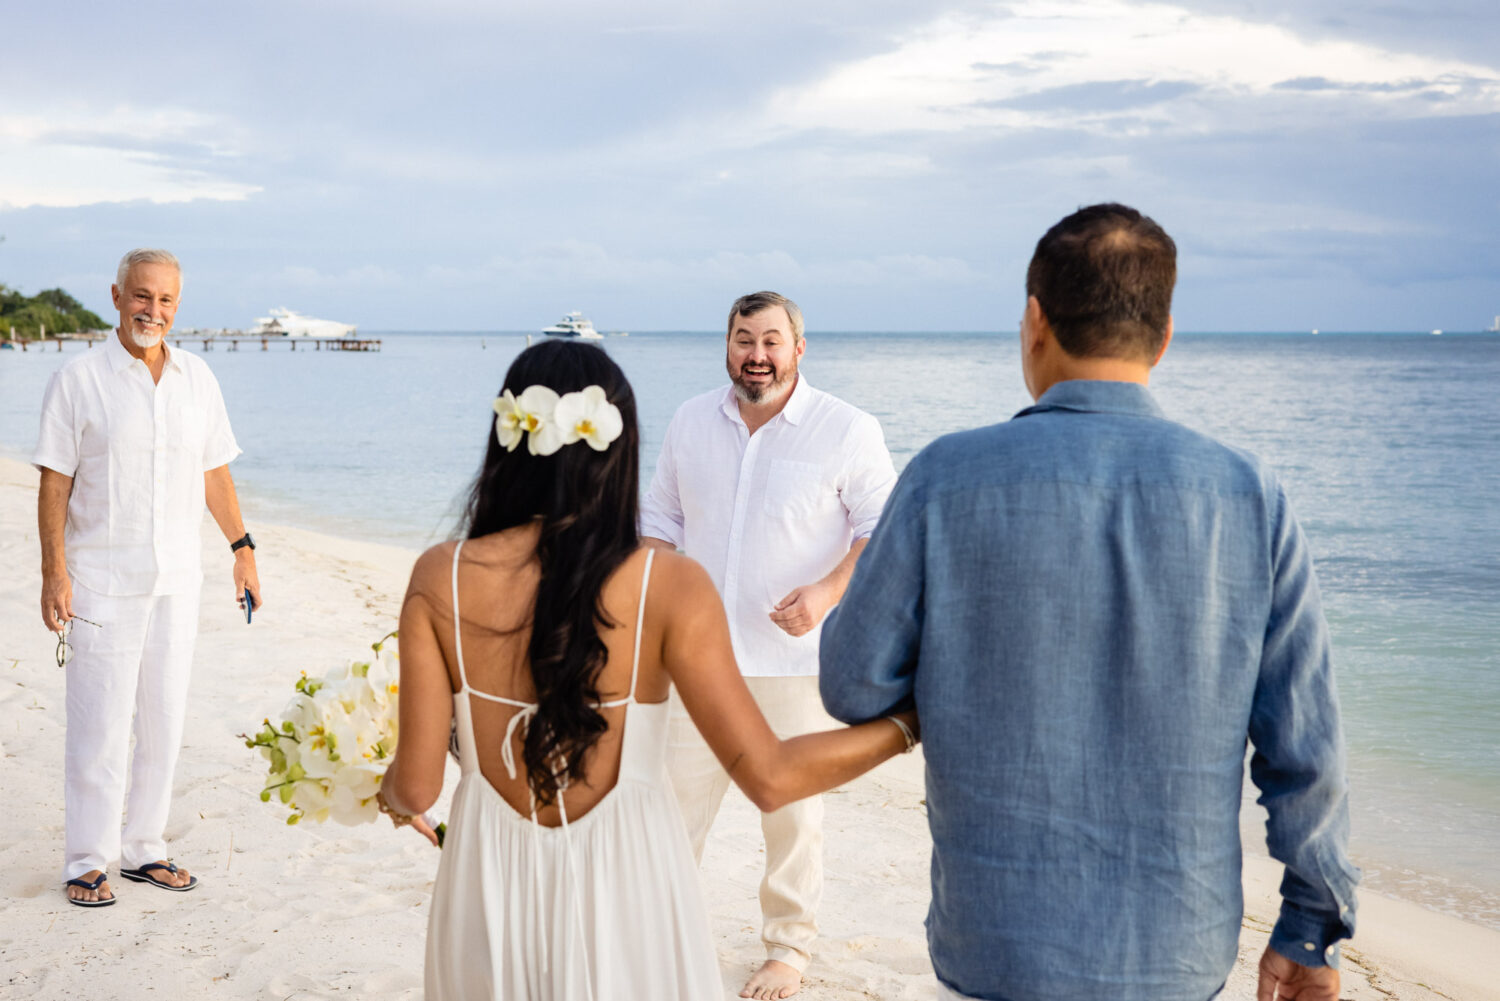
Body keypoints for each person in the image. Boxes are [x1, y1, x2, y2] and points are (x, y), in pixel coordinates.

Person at [820, 204, 1359, 1001]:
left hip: (992, 946)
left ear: (1035, 321)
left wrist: (959, 671)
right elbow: (1306, 748)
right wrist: (1311, 924)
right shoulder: (1249, 495)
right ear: (1165, 334)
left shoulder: (945, 476)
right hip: (1174, 951)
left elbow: (851, 683)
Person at [379, 339, 918, 1001]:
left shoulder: (442, 576)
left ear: (509, 438)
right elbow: (771, 777)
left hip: (487, 882)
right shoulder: (669, 586)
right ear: (618, 448)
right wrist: (907, 723)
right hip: (627, 884)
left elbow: (414, 785)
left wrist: (381, 787)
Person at [639, 291, 897, 999]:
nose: (757, 355)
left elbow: (882, 529)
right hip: (695, 662)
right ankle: (664, 933)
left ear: (798, 349)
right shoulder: (693, 420)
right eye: (744, 338)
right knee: (669, 808)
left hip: (793, 667)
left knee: (793, 820)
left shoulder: (846, 429)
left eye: (772, 340)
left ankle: (787, 950)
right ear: (727, 344)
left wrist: (826, 590)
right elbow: (658, 516)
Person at [35, 248, 262, 907]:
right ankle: (86, 859)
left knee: (163, 718)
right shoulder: (78, 379)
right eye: (141, 296)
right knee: (99, 723)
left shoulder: (198, 379)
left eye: (165, 301)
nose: (152, 310)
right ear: (116, 295)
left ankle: (144, 849)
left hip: (177, 580)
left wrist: (242, 546)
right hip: (101, 578)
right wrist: (54, 570)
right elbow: (54, 480)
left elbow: (214, 470)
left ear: (177, 307)